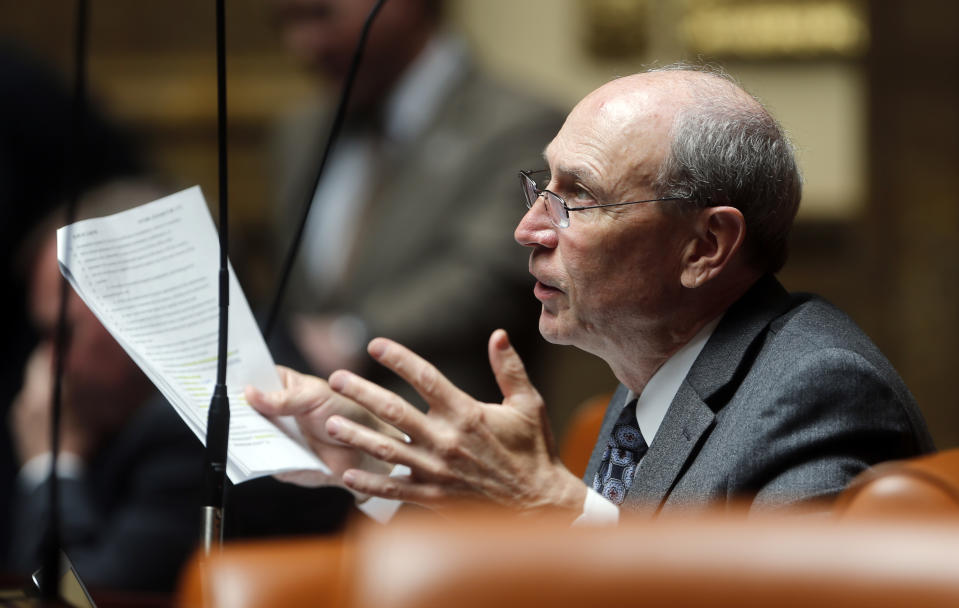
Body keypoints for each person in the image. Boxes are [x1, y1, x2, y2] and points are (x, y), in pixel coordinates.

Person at [246, 65, 934, 523]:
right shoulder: (654, 385)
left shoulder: (818, 392)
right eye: (542, 186)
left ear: (704, 247)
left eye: (577, 197)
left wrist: (552, 503)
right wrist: (374, 456)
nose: (527, 229)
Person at [266, 0, 563, 405]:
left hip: (446, 429)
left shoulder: (520, 125)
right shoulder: (300, 131)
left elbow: (493, 273)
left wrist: (353, 334)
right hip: (301, 424)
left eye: (319, 15)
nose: (299, 44)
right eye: (286, 21)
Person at [6, 184, 206, 591]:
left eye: (63, 333)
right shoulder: (121, 413)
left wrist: (50, 466)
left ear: (143, 312)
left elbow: (78, 600)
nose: (50, 365)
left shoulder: (190, 430)